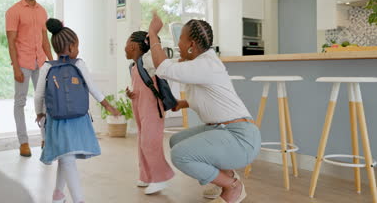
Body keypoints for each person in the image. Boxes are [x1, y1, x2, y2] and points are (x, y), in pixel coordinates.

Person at [147, 12, 261, 203]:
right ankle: (225, 178)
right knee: (177, 140)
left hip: (240, 139)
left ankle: (232, 185)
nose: (178, 44)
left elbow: (164, 68)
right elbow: (207, 98)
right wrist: (182, 103)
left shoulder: (206, 65)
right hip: (225, 131)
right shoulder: (200, 63)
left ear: (191, 44)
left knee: (180, 155)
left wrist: (152, 34)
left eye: (180, 39)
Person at [35, 18, 120, 203]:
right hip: (78, 121)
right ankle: (78, 200)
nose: (78, 50)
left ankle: (58, 195)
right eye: (77, 45)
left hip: (56, 121)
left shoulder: (46, 67)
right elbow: (93, 88)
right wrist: (108, 106)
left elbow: (38, 96)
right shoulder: (79, 63)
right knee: (67, 158)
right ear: (72, 47)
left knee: (66, 157)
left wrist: (39, 114)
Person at [5, 0, 53, 157]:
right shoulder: (13, 11)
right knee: (20, 102)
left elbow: (45, 40)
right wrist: (16, 68)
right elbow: (11, 42)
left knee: (44, 101)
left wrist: (52, 62)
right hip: (23, 63)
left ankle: (46, 139)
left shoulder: (42, 11)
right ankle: (23, 142)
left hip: (40, 62)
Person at [124, 31, 175, 195]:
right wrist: (130, 92)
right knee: (141, 141)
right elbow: (139, 85)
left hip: (153, 107)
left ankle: (160, 178)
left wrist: (153, 38)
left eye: (126, 44)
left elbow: (160, 59)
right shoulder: (133, 66)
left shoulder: (147, 60)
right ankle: (146, 175)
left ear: (132, 46)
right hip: (139, 106)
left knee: (149, 142)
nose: (124, 48)